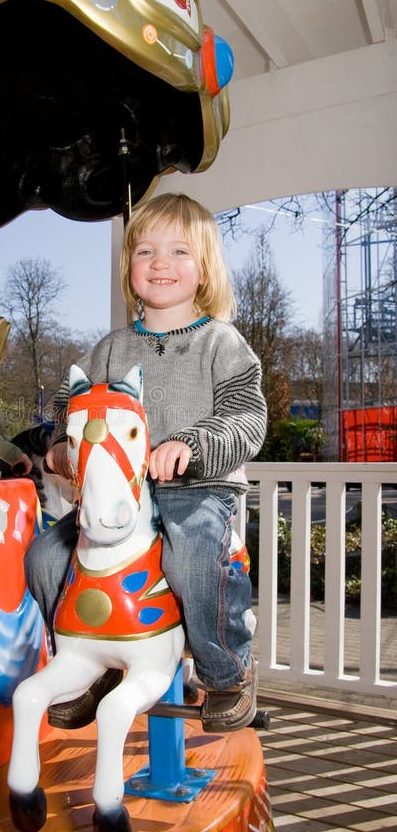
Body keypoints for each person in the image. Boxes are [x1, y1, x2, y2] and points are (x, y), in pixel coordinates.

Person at [24, 192, 267, 732]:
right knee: (43, 558)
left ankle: (227, 671)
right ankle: (90, 661)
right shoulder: (111, 348)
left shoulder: (220, 343)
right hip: (120, 498)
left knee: (190, 562)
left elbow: (246, 416)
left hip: (198, 491)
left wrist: (192, 445)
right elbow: (72, 403)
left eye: (180, 251)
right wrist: (65, 446)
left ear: (204, 270)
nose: (161, 262)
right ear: (129, 266)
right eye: (146, 251)